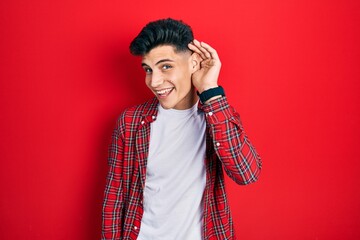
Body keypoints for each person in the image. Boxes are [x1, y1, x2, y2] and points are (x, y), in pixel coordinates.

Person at [102, 18, 262, 240]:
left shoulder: (217, 116)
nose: (155, 81)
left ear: (194, 63)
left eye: (166, 66)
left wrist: (210, 90)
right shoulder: (131, 123)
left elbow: (247, 172)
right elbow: (115, 196)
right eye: (148, 69)